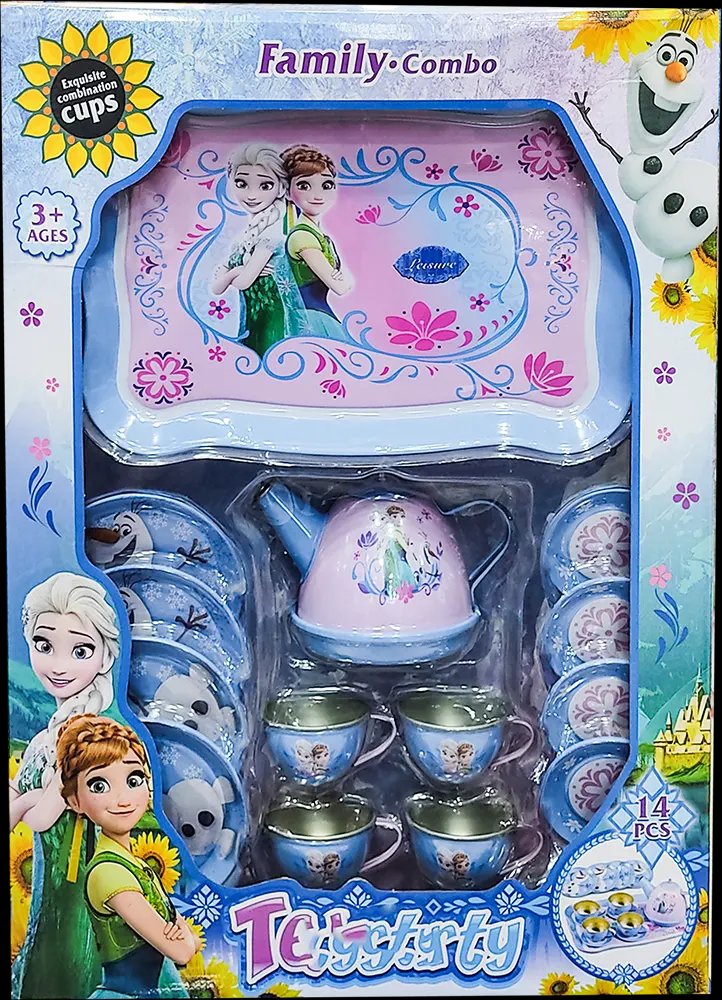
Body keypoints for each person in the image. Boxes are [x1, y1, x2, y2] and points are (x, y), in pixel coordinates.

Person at [10, 573, 120, 999]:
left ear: (105, 656)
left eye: (80, 651)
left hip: (80, 887)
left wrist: (27, 801)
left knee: (69, 970)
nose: (59, 665)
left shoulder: (88, 735)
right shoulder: (45, 737)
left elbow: (41, 816)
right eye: (44, 645)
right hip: (51, 885)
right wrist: (26, 799)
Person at [56, 714, 202, 998]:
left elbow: (192, 942)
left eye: (134, 780)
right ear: (74, 800)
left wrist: (183, 936)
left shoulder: (134, 863)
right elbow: (181, 951)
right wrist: (179, 935)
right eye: (99, 785)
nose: (123, 800)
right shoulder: (109, 872)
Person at [210, 143, 305, 356]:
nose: (252, 195)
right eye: (242, 183)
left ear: (281, 188)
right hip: (252, 317)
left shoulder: (271, 235)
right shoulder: (244, 237)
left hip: (272, 318)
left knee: (270, 356)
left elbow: (243, 282)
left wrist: (232, 274)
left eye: (265, 185)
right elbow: (216, 287)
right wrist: (236, 272)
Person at [282, 145, 354, 338]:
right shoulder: (302, 236)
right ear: (287, 192)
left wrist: (342, 278)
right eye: (304, 186)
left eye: (326, 185)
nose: (317, 195)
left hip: (318, 316)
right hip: (312, 319)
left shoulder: (317, 234)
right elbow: (340, 287)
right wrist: (341, 278)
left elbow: (344, 282)